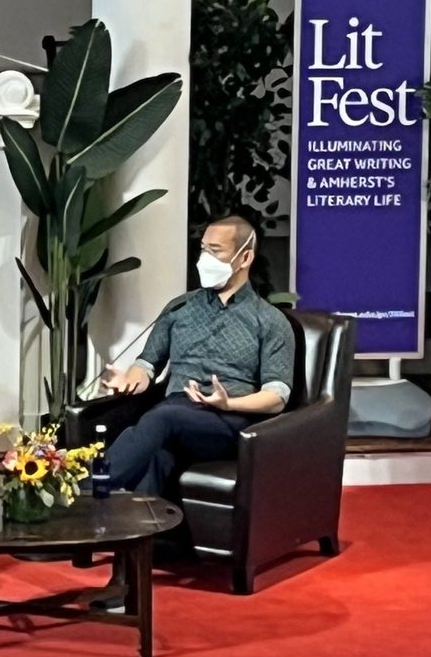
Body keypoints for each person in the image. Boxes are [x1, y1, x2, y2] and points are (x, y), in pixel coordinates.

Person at [95, 214, 295, 606]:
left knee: (162, 418)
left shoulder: (269, 322)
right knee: (154, 455)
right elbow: (147, 364)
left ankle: (85, 489)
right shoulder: (180, 309)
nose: (205, 258)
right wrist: (128, 378)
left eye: (215, 251)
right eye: (203, 249)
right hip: (172, 419)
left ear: (245, 256)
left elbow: (278, 396)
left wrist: (229, 401)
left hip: (229, 424)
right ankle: (125, 584)